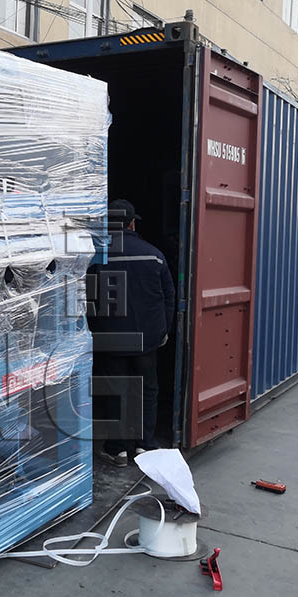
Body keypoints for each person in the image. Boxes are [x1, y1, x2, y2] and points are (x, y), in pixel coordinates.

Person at [87, 199, 174, 467]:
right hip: (146, 340)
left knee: (116, 392)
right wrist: (163, 331)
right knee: (147, 391)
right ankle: (144, 445)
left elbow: (88, 301)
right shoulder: (154, 255)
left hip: (110, 341)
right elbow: (168, 297)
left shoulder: (96, 258)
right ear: (133, 223)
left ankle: (117, 449)